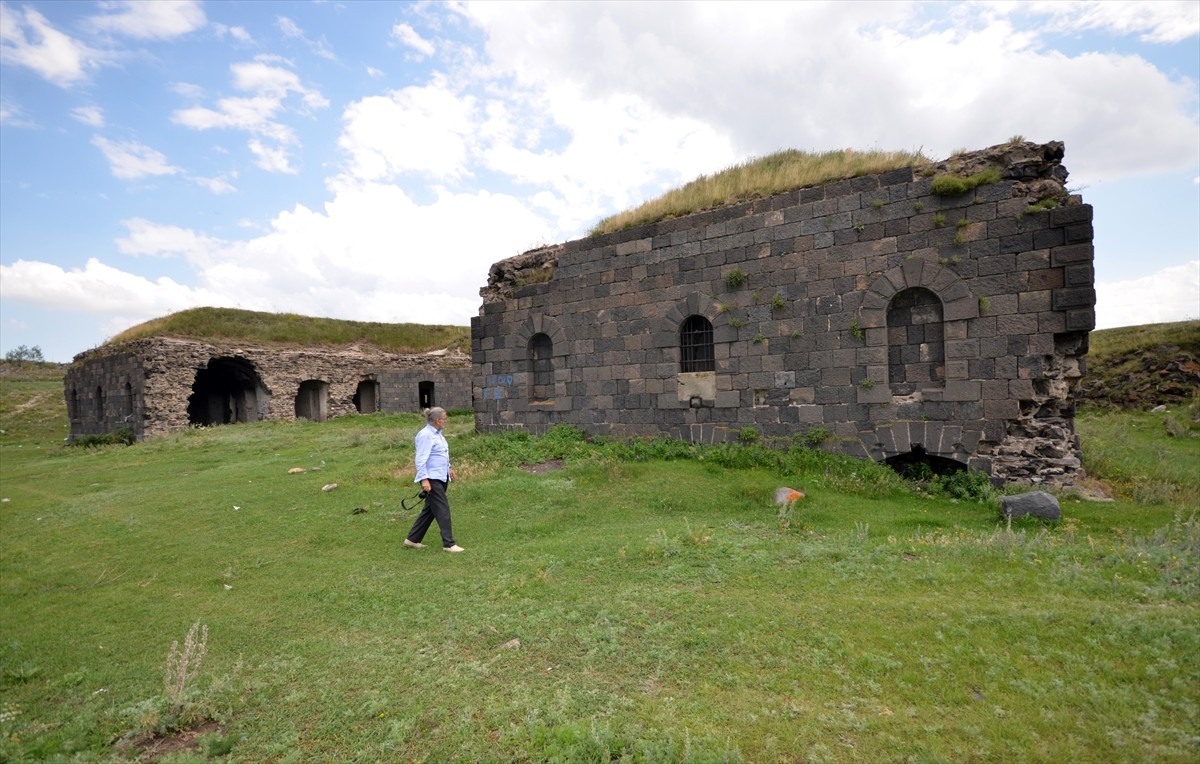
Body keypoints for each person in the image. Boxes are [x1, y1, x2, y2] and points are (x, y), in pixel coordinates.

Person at [405, 407, 464, 553]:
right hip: (431, 478)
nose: (446, 421)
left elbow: (440, 454)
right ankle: (449, 544)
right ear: (438, 421)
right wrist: (424, 480)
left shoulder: (438, 434)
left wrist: (449, 468)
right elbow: (421, 459)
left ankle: (412, 539)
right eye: (445, 419)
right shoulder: (426, 435)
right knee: (442, 509)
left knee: (430, 510)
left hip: (440, 475)